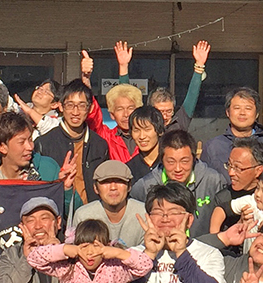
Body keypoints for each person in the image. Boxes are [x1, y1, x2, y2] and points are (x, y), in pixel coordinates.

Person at [129, 129, 227, 234]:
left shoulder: (213, 180)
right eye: (171, 162)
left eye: (184, 161)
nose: (178, 168)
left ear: (194, 159)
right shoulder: (145, 186)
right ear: (161, 160)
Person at [36, 79, 112, 209]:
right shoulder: (44, 143)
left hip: (92, 216)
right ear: (61, 106)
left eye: (82, 105)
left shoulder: (100, 145)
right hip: (57, 216)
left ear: (90, 108)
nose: (75, 112)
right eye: (70, 105)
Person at [116, 39, 211, 134]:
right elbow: (126, 96)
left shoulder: (179, 123)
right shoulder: (142, 126)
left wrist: (199, 66)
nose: (165, 117)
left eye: (169, 111)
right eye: (160, 112)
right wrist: (123, 66)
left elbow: (192, 96)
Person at [70, 160, 151, 248]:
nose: (113, 187)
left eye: (119, 181)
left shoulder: (144, 213)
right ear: (95, 188)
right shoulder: (84, 216)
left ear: (129, 186)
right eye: (106, 182)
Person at [201, 86, 263, 176]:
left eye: (248, 108)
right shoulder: (214, 147)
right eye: (237, 108)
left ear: (257, 114)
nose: (242, 113)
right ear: (228, 112)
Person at [207, 136, 263, 233]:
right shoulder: (223, 198)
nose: (231, 173)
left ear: (258, 170)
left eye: (238, 168)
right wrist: (239, 224)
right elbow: (219, 243)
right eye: (229, 165)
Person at [125, 106, 167, 180]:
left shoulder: (169, 163)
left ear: (159, 131)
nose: (142, 136)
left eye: (147, 129)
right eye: (136, 130)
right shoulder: (128, 169)